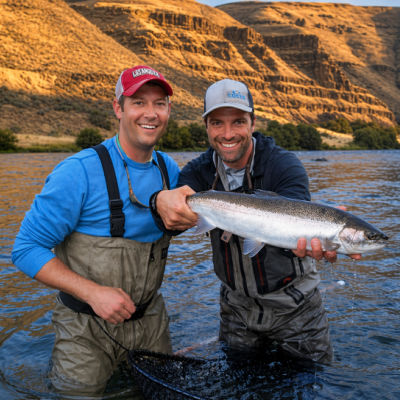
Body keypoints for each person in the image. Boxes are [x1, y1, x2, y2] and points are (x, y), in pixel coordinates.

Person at [151, 78, 361, 364]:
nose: (227, 134)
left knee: (311, 383)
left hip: (296, 307)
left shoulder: (284, 165)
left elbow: (298, 217)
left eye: (238, 122)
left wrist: (320, 230)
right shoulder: (197, 173)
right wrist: (160, 201)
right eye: (217, 123)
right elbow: (170, 225)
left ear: (252, 123)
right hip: (236, 308)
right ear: (207, 126)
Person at [12, 65, 180, 395]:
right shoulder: (78, 172)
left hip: (151, 323)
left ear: (168, 110)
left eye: (159, 103)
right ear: (118, 108)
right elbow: (25, 248)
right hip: (85, 330)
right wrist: (92, 293)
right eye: (138, 102)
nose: (151, 113)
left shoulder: (169, 170)